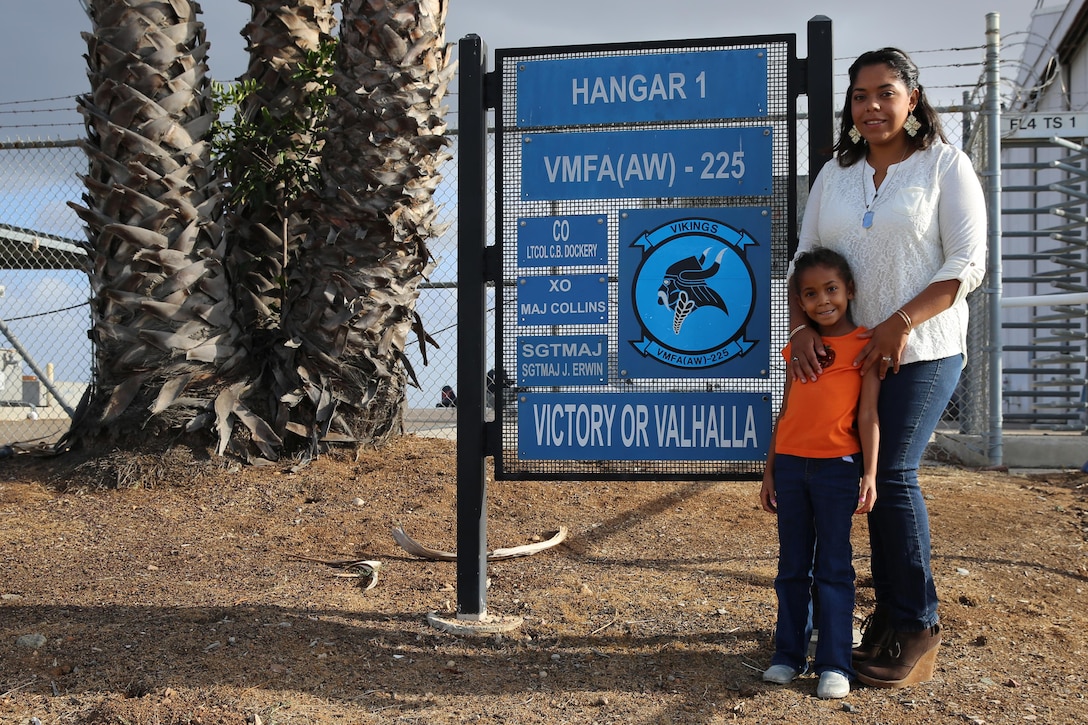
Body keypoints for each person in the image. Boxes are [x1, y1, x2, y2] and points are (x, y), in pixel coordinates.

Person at [789, 47, 987, 689]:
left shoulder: (945, 166)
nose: (872, 106)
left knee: (891, 475)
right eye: (860, 95)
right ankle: (886, 611)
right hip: (846, 360)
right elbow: (803, 257)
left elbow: (965, 265)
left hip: (924, 349)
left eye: (886, 93)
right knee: (854, 485)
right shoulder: (834, 175)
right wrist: (799, 329)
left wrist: (899, 324)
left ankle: (916, 622)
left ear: (912, 98)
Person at [760, 247, 880, 700]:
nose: (822, 300)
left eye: (831, 289)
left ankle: (835, 662)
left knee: (833, 567)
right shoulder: (799, 347)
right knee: (792, 566)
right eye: (809, 293)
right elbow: (787, 411)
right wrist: (770, 471)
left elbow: (868, 415)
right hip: (791, 467)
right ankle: (787, 655)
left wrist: (869, 474)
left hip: (838, 471)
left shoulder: (865, 346)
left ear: (849, 290)